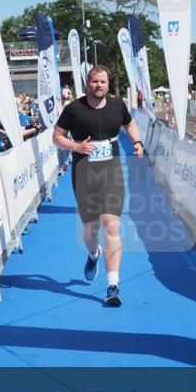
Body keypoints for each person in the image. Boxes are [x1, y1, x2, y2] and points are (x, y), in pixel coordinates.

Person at [53, 65, 145, 307]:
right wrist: (76, 147)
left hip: (112, 171)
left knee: (111, 225)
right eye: (94, 81)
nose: (99, 85)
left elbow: (131, 124)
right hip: (84, 172)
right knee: (90, 228)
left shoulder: (117, 105)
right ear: (88, 83)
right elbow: (57, 137)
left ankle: (113, 286)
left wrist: (137, 141)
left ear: (107, 83)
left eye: (103, 82)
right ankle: (93, 254)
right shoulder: (74, 109)